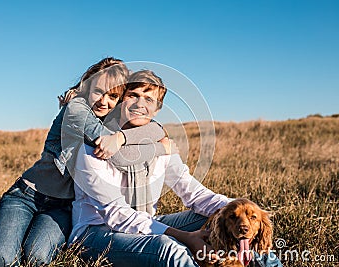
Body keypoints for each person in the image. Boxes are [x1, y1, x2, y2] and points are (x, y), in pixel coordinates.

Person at [68, 70, 283, 267]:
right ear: (122, 98)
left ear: (157, 108)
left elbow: (192, 192)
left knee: (229, 222)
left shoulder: (161, 146)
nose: (139, 104)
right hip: (97, 233)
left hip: (147, 222)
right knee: (169, 248)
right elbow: (118, 215)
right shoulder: (94, 146)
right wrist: (185, 237)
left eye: (149, 99)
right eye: (133, 95)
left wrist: (244, 213)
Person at [0, 58, 170, 267]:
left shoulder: (114, 122)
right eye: (98, 91)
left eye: (112, 96)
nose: (103, 101)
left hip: (63, 207)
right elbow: (119, 156)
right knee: (1, 260)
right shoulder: (76, 108)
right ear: (86, 87)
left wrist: (127, 136)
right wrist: (159, 147)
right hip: (27, 196)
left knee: (37, 258)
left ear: (119, 100)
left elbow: (155, 127)